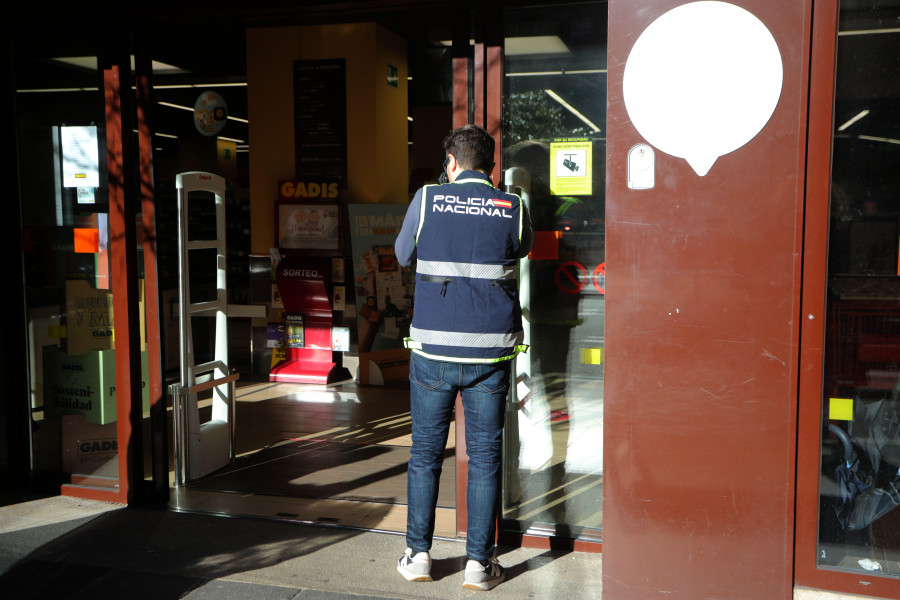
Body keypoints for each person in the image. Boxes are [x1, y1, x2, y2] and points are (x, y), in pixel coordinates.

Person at [393, 124, 534, 591]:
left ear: (450, 162)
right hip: (489, 357)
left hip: (432, 352)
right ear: (491, 166)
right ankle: (478, 564)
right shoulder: (512, 206)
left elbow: (401, 255)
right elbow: (524, 247)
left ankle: (418, 556)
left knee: (426, 456)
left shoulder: (429, 198)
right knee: (485, 458)